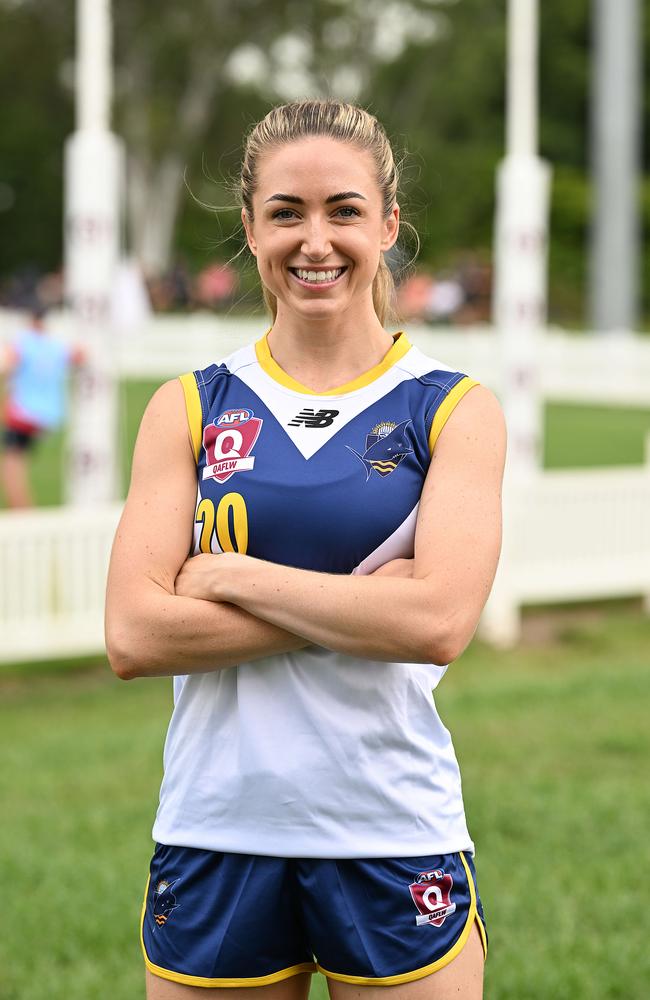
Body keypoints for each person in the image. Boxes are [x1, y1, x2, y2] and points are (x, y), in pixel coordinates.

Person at [105, 99, 506, 1000]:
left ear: (388, 224)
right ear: (249, 227)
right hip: (217, 831)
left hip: (391, 832)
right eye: (286, 211)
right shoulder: (192, 405)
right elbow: (134, 634)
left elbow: (438, 620)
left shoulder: (451, 408)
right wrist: (366, 606)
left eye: (343, 210)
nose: (314, 240)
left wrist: (231, 579)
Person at [1, 304, 81, 508]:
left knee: (12, 465)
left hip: (23, 412)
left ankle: (22, 509)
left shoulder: (23, 343)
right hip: (48, 414)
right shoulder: (55, 346)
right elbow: (78, 356)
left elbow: (7, 366)